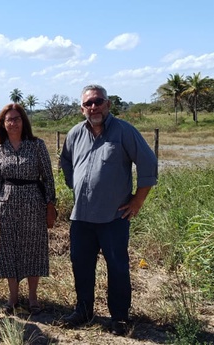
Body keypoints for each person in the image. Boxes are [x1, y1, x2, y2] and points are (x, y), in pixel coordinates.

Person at [59, 84, 158, 336]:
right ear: (82, 108)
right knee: (80, 265)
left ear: (108, 104)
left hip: (114, 217)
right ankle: (83, 310)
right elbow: (67, 162)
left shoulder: (124, 131)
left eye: (98, 101)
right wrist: (76, 184)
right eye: (88, 103)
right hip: (81, 217)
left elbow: (148, 164)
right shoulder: (74, 134)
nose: (94, 107)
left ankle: (120, 317)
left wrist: (137, 201)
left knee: (117, 266)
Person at [0, 103, 56, 315]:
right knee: (9, 250)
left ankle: (33, 296)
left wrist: (50, 206)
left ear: (23, 121)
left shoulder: (37, 145)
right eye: (9, 119)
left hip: (33, 203)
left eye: (17, 119)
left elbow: (48, 177)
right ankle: (13, 296)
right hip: (7, 204)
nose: (13, 123)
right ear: (3, 124)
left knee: (33, 248)